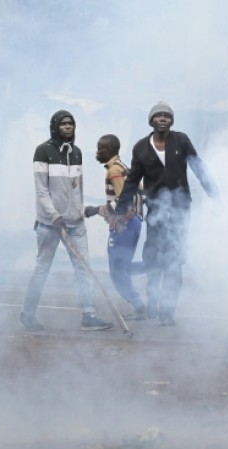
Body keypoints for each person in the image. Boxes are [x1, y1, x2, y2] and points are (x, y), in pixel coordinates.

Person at [114, 102, 219, 327]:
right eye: (158, 116)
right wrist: (119, 211)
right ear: (151, 121)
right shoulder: (141, 148)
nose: (162, 118)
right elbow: (132, 181)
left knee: (174, 261)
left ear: (171, 120)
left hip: (181, 210)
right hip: (156, 212)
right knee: (153, 258)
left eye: (166, 116)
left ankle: (168, 312)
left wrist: (214, 193)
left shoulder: (181, 141)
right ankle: (152, 304)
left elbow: (198, 166)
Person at [20, 110, 112, 332]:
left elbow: (77, 188)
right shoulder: (43, 151)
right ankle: (28, 313)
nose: (68, 127)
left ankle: (89, 315)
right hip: (49, 224)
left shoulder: (77, 153)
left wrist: (79, 211)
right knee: (42, 268)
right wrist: (54, 216)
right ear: (55, 127)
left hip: (75, 222)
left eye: (71, 123)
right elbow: (41, 190)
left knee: (84, 268)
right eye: (64, 124)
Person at [84, 134, 147, 319]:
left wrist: (96, 210)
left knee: (117, 272)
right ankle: (153, 267)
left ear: (109, 150)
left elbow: (123, 202)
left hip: (124, 225)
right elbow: (141, 190)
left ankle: (139, 304)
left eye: (100, 148)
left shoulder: (114, 170)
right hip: (131, 223)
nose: (97, 152)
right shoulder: (125, 167)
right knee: (122, 267)